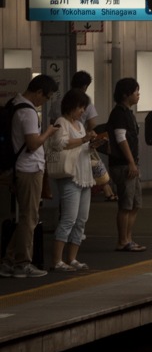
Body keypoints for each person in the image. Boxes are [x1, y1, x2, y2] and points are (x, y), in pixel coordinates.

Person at [0, 74, 59, 278]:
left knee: (27, 216)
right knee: (29, 218)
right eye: (46, 97)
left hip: (18, 168)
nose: (46, 101)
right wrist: (49, 132)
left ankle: (8, 260)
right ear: (39, 92)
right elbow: (33, 143)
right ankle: (22, 263)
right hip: (29, 169)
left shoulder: (13, 103)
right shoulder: (28, 111)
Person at [47, 88, 104, 271]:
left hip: (85, 175)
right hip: (70, 176)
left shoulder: (80, 125)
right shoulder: (61, 122)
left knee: (81, 220)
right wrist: (84, 140)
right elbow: (60, 144)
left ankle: (72, 258)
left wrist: (92, 143)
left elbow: (82, 148)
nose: (82, 111)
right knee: (68, 219)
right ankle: (57, 260)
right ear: (71, 106)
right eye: (80, 107)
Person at [108, 77, 145, 252]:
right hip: (123, 165)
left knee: (135, 203)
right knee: (125, 204)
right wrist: (131, 162)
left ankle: (128, 238)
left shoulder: (128, 113)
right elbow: (120, 138)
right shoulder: (119, 114)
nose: (138, 94)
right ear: (125, 94)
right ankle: (123, 240)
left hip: (132, 164)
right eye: (136, 91)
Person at [71, 71, 117, 202]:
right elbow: (92, 122)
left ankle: (107, 191)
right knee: (94, 166)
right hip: (82, 143)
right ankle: (106, 191)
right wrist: (86, 134)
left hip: (69, 146)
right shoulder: (85, 101)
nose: (81, 112)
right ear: (85, 86)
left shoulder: (61, 99)